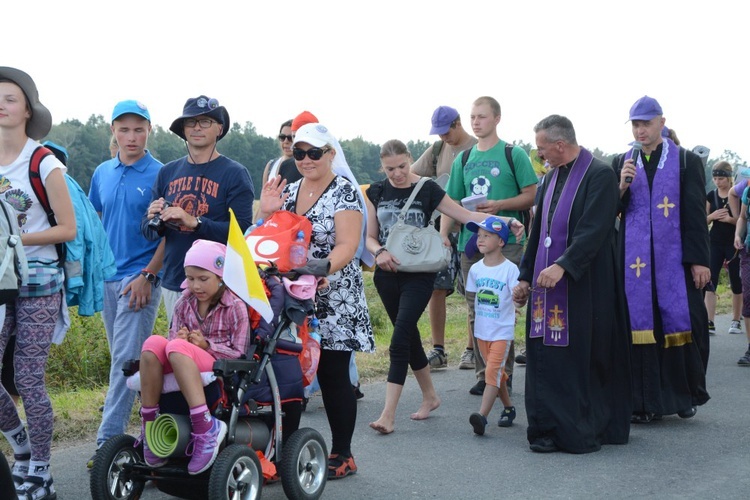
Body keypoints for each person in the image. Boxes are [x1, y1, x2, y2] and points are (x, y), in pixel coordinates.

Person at [363, 140, 520, 435]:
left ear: (410, 159)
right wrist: (379, 252)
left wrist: (505, 220)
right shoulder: (376, 191)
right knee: (408, 336)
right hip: (387, 274)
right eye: (390, 168)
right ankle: (431, 397)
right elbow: (370, 237)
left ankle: (388, 414)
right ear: (381, 167)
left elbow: (467, 216)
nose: (397, 173)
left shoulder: (427, 188)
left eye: (401, 166)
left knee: (398, 340)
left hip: (419, 273)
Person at [258, 122, 374, 480]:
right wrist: (267, 211)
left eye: (314, 153)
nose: (306, 160)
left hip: (334, 294)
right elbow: (269, 237)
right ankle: (283, 454)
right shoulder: (289, 190)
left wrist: (322, 267)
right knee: (289, 373)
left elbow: (347, 244)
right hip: (293, 294)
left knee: (332, 375)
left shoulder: (345, 192)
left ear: (330, 154)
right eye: (299, 153)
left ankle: (343, 453)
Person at [513, 114, 632, 453]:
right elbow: (538, 234)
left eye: (541, 149)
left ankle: (576, 430)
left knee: (575, 359)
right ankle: (546, 429)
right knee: (545, 357)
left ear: (560, 145)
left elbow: (594, 230)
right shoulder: (550, 179)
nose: (540, 156)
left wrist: (563, 266)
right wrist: (525, 276)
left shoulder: (600, 175)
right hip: (547, 285)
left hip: (584, 285)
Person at [0, 66, 76, 499]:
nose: (1, 105)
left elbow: (67, 228)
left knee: (28, 380)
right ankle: (23, 451)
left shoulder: (42, 160)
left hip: (40, 280)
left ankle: (42, 473)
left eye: (10, 98)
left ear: (27, 109)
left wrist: (14, 239)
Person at [615, 96, 710, 423]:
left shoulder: (685, 161)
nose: (640, 130)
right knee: (641, 328)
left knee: (684, 322)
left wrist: (700, 260)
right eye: (635, 124)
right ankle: (643, 402)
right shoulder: (622, 162)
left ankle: (684, 395)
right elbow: (612, 212)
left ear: (661, 122)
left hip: (675, 263)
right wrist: (622, 186)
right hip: (635, 265)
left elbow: (696, 214)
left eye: (646, 123)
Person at [86, 100, 164, 468]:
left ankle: (107, 441)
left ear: (150, 130)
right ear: (113, 132)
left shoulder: (161, 174)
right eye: (124, 129)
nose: (131, 137)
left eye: (138, 129)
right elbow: (97, 222)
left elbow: (170, 235)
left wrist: (149, 275)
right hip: (108, 279)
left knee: (123, 361)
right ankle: (154, 429)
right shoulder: (102, 171)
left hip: (140, 281)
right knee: (126, 361)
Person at [441, 96, 537, 395]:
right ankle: (484, 375)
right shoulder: (464, 159)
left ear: (497, 118)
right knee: (475, 308)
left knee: (501, 307)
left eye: (482, 116)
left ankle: (501, 375)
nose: (476, 122)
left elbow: (531, 195)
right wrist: (445, 235)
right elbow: (451, 201)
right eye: (472, 117)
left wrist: (500, 205)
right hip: (472, 243)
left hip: (507, 243)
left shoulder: (514, 154)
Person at [141, 95, 255, 325]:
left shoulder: (235, 173)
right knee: (179, 347)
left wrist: (195, 222)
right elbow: (148, 231)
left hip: (219, 283)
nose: (197, 128)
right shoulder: (168, 172)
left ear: (219, 129)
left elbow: (241, 231)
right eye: (191, 122)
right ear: (183, 130)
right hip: (175, 277)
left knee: (212, 353)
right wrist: (154, 218)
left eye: (205, 122)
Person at [139, 240, 248, 475]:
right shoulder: (183, 303)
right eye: (190, 278)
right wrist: (179, 339)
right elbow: (170, 344)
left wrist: (206, 345)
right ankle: (148, 424)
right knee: (152, 344)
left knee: (177, 347)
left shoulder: (235, 306)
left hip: (219, 365)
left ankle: (204, 427)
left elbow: (240, 352)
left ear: (220, 277)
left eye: (203, 279)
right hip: (183, 359)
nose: (196, 285)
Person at [410, 106, 477, 370]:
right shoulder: (437, 151)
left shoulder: (478, 148)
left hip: (472, 231)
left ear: (458, 124)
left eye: (446, 131)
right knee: (436, 288)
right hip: (442, 231)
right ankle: (438, 349)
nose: (443, 137)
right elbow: (412, 174)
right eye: (438, 133)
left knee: (471, 291)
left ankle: (471, 350)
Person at [465, 216, 518, 435]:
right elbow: (473, 299)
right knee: (495, 374)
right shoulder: (476, 269)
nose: (481, 239)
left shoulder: (510, 269)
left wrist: (518, 304)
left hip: (501, 331)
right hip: (482, 332)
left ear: (501, 242)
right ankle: (508, 408)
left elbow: (517, 296)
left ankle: (482, 416)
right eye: (479, 236)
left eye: (487, 235)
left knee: (493, 372)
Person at [705, 161, 741, 335]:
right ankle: (709, 321)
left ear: (729, 178)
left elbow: (742, 220)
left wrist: (730, 220)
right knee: (710, 280)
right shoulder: (711, 195)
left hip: (734, 243)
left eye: (721, 178)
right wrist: (711, 216)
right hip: (715, 243)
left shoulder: (737, 195)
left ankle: (735, 320)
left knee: (736, 281)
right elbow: (702, 220)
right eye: (715, 178)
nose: (718, 182)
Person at [733, 182, 750, 365]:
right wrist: (738, 235)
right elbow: (743, 217)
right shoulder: (748, 190)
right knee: (749, 297)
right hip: (748, 250)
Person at [260, 118, 301, 186]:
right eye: (282, 137)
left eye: (290, 138)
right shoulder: (271, 165)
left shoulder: (304, 166)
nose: (286, 141)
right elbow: (264, 193)